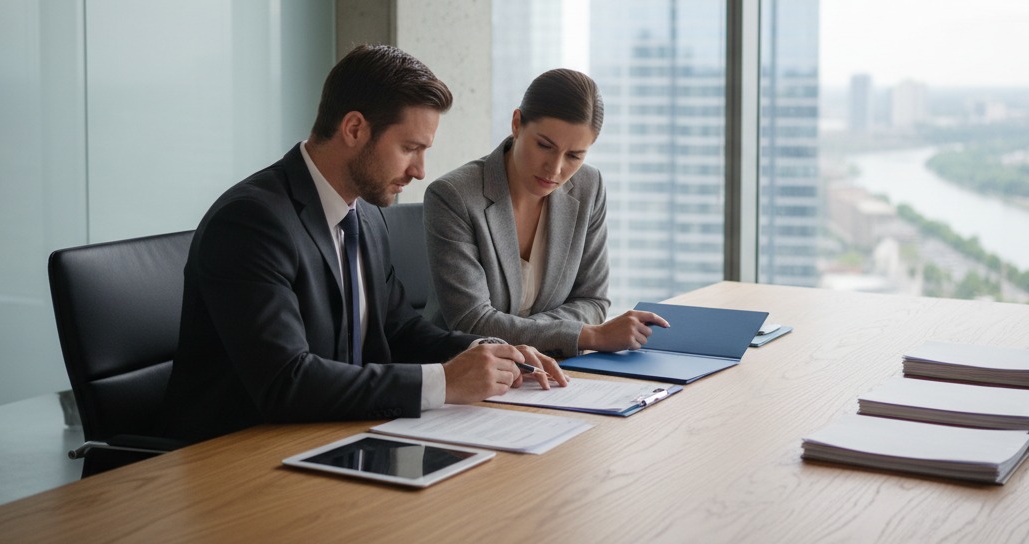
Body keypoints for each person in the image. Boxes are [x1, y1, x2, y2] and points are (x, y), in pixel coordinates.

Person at [160, 45, 565, 444]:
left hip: (337, 435)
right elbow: (286, 381)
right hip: (240, 455)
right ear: (354, 129)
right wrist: (443, 382)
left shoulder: (364, 215)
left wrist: (490, 350)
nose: (420, 171)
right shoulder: (251, 222)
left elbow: (397, 329)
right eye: (409, 148)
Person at [424, 68, 667, 358]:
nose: (555, 169)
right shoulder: (454, 196)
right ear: (517, 124)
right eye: (544, 146)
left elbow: (593, 300)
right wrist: (586, 334)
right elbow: (472, 322)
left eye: (574, 155)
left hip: (554, 369)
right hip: (467, 372)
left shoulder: (588, 187)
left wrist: (521, 330)